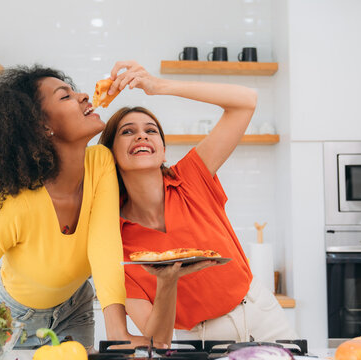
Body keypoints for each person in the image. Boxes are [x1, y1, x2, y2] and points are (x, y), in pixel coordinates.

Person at [0, 65, 146, 349]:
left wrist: (119, 334)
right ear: (42, 127)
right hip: (15, 316)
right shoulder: (13, 204)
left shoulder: (100, 163)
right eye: (65, 96)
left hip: (75, 307)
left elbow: (105, 249)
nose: (84, 96)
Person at [99, 61, 297, 345]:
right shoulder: (116, 239)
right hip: (199, 339)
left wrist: (159, 86)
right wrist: (167, 282)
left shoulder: (191, 176)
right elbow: (157, 339)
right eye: (127, 131)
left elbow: (245, 102)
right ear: (111, 154)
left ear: (163, 150)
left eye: (151, 130)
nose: (141, 134)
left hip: (260, 314)